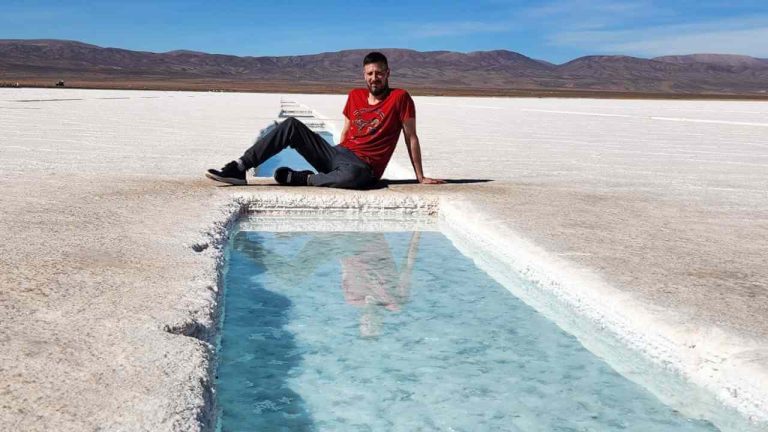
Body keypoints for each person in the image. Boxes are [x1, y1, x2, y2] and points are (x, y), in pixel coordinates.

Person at [205, 51, 444, 188]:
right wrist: (334, 153)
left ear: (388, 73)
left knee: (356, 177)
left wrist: (420, 176)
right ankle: (238, 167)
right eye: (370, 73)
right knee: (290, 126)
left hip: (364, 166)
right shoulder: (355, 95)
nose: (375, 78)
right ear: (364, 75)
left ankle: (303, 178)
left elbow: (411, 137)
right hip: (338, 155)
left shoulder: (400, 98)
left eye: (379, 73)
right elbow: (346, 132)